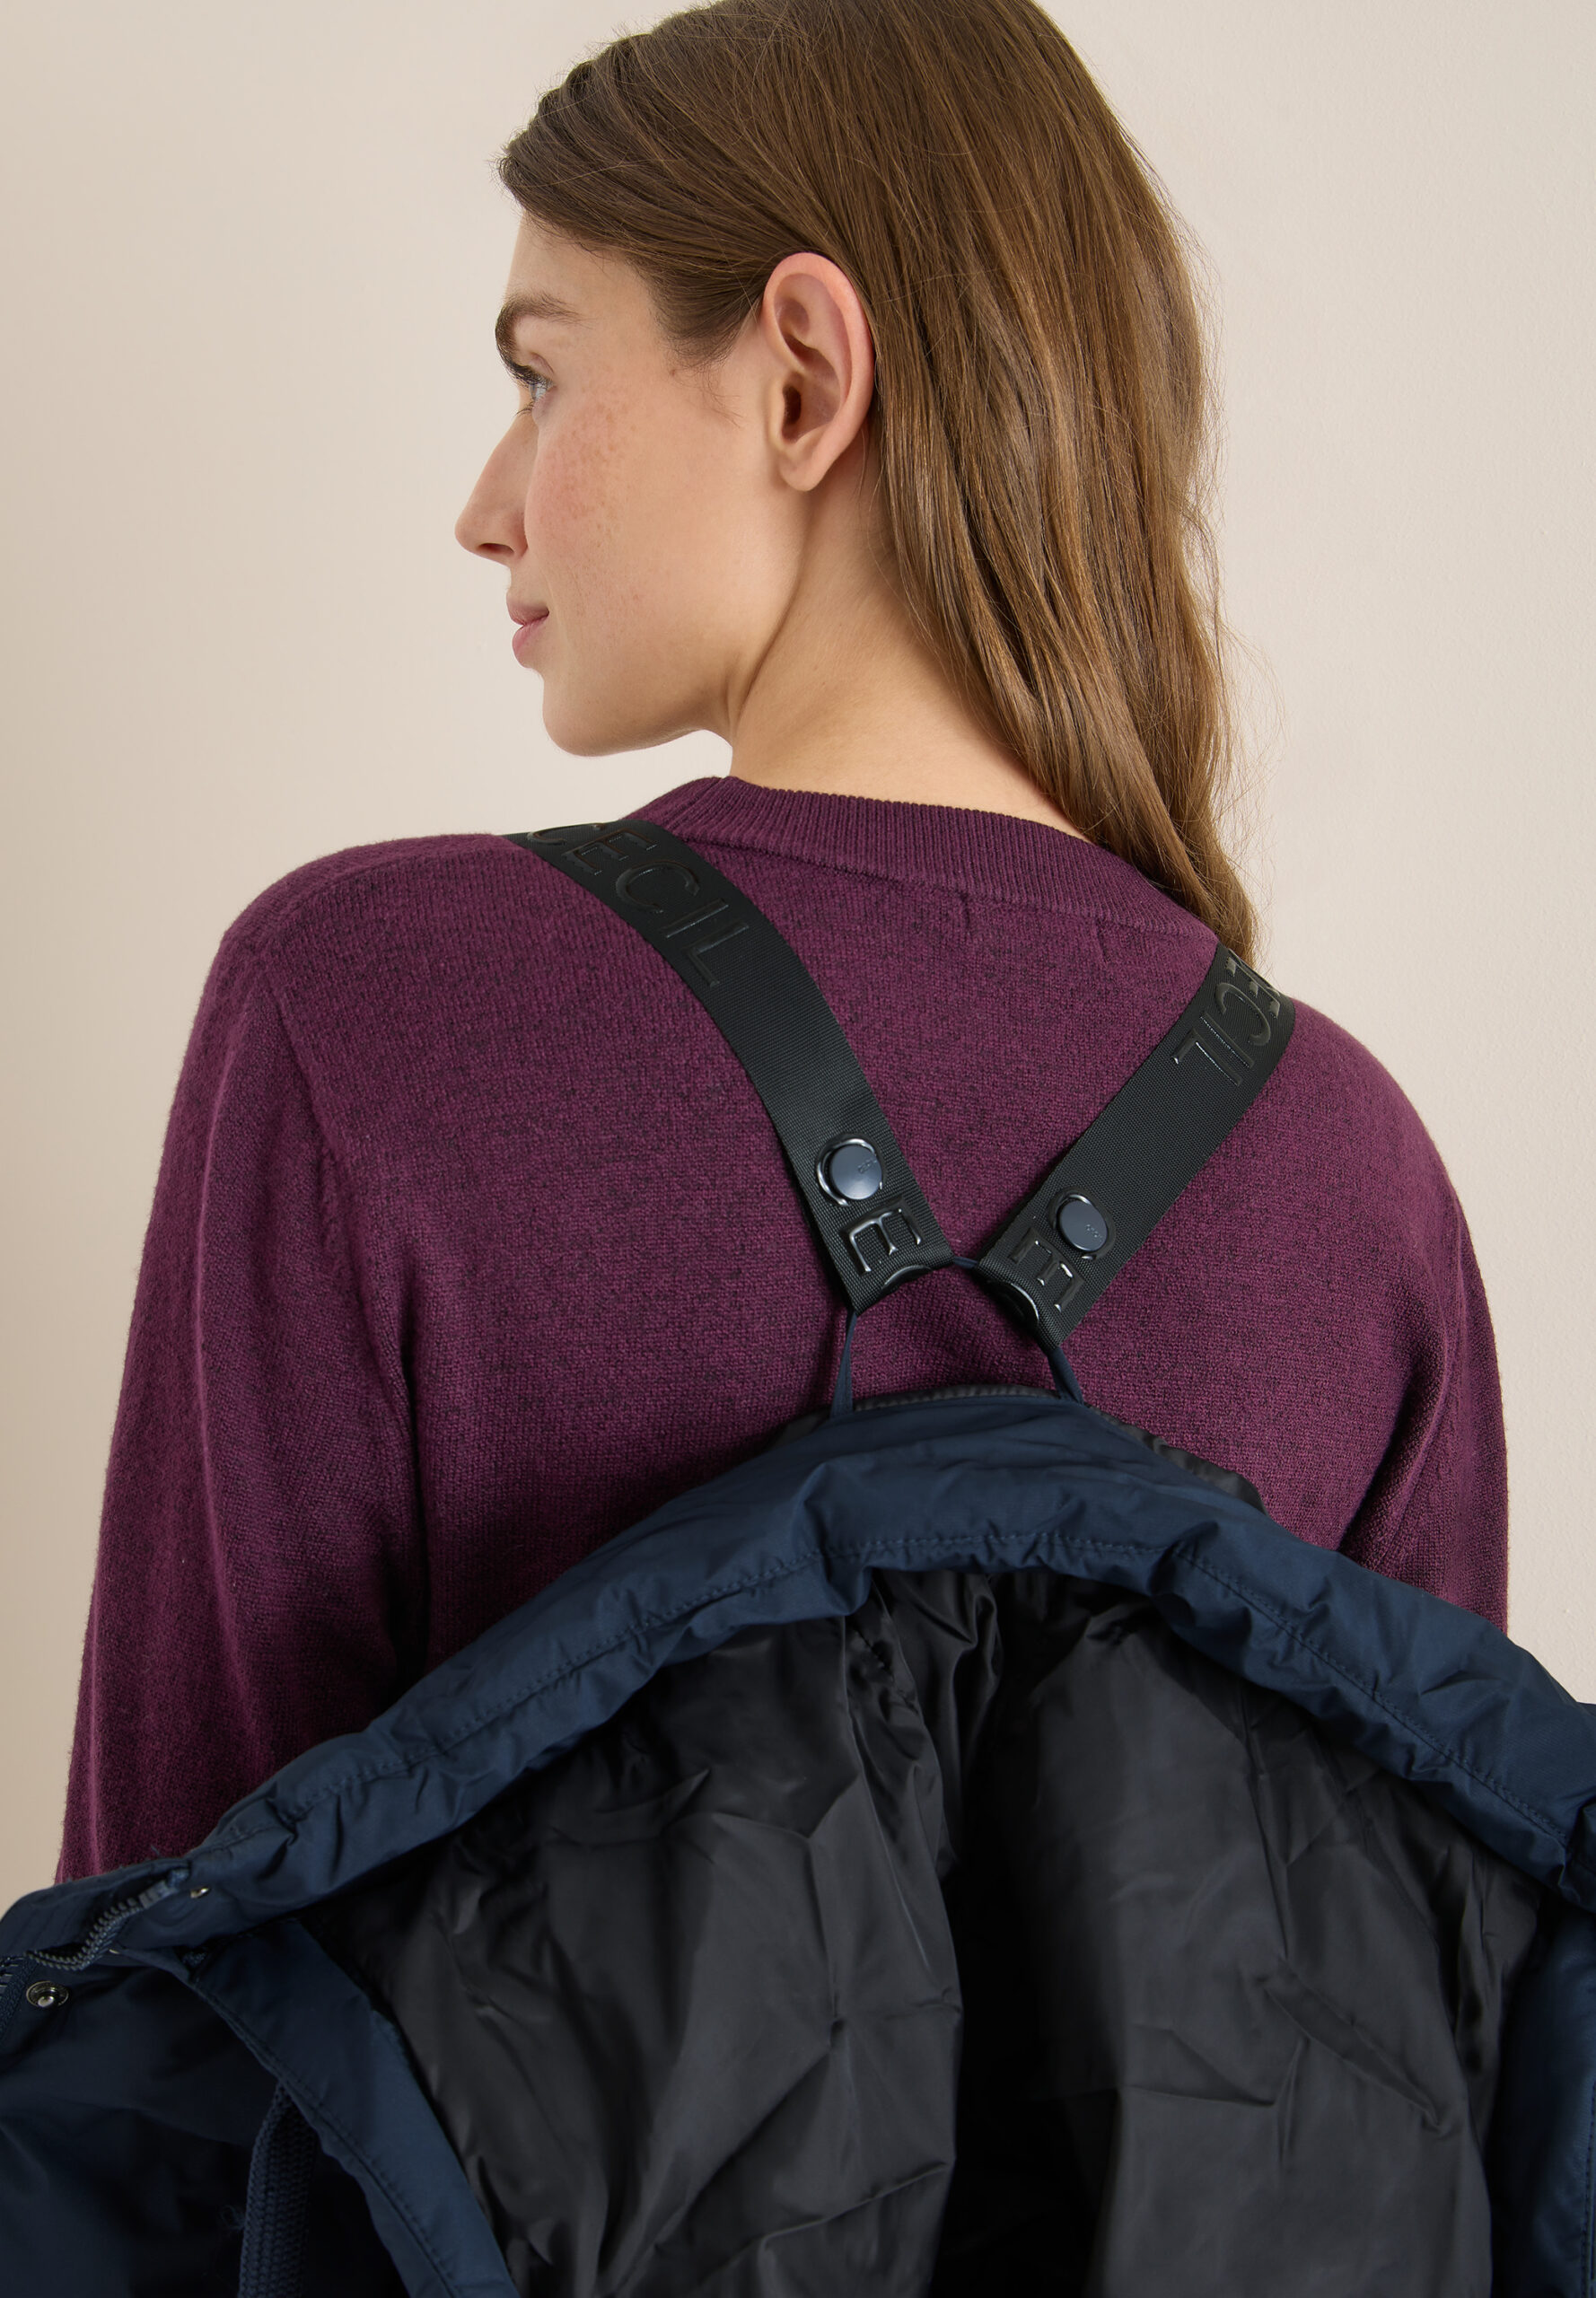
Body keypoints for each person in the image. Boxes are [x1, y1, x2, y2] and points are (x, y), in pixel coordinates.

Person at [58, 0, 1505, 1882]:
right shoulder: (1353, 1174)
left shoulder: (373, 1005)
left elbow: (161, 1973)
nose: (485, 510)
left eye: (540, 375)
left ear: (804, 379)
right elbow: (1426, 2016)